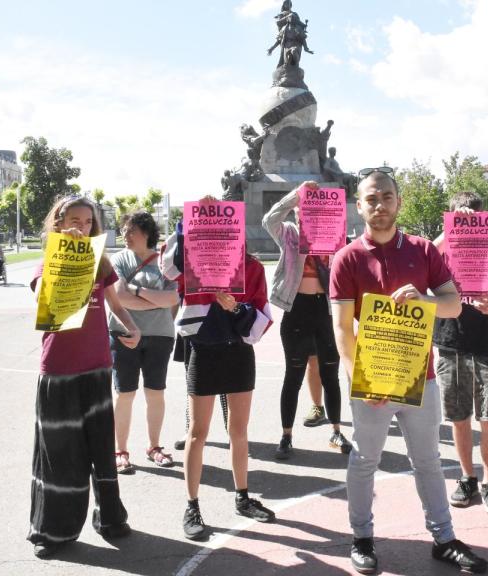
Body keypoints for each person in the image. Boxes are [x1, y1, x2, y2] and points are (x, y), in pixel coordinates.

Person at [330, 168, 488, 574]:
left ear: (398, 202)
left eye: (386, 196)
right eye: (371, 198)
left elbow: (454, 304)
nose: (379, 205)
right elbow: (341, 327)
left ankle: (444, 538)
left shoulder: (423, 250)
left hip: (422, 377)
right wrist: (358, 380)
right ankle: (362, 537)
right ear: (359, 205)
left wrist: (425, 299)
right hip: (372, 380)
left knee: (429, 461)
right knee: (365, 461)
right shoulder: (347, 258)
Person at [27, 195, 141, 559]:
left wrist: (131, 326)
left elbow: (114, 301)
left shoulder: (101, 262)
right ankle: (54, 531)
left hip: (97, 366)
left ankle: (110, 518)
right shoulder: (48, 262)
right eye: (73, 219)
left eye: (87, 221)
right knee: (61, 454)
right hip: (59, 369)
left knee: (100, 448)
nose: (81, 225)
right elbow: (44, 298)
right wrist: (65, 259)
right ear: (58, 223)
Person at [161, 197, 277, 540]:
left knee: (238, 432)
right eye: (214, 230)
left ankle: (242, 496)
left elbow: (259, 324)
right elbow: (169, 269)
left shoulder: (252, 268)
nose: (225, 236)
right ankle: (192, 505)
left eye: (232, 231)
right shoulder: (194, 262)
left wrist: (235, 307)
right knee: (198, 433)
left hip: (238, 353)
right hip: (204, 350)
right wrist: (190, 221)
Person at [433, 192, 488, 517]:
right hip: (450, 344)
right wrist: (453, 226)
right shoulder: (440, 258)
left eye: (474, 219)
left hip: (486, 346)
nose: (468, 225)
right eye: (460, 220)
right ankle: (467, 477)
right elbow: (427, 251)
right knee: (459, 419)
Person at [263, 183, 351, 460]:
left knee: (330, 374)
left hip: (326, 310)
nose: (311, 214)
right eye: (306, 209)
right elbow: (269, 220)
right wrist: (295, 195)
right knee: (294, 375)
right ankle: (286, 436)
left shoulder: (336, 237)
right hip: (297, 307)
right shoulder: (290, 233)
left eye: (318, 210)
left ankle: (336, 431)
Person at [108, 211, 180, 475]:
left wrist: (136, 291)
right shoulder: (119, 259)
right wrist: (154, 299)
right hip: (124, 333)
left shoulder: (165, 261)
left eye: (131, 231)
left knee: (155, 393)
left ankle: (154, 447)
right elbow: (118, 298)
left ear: (146, 232)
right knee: (125, 393)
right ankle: (121, 450)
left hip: (160, 335)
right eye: (124, 230)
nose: (125, 235)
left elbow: (172, 299)